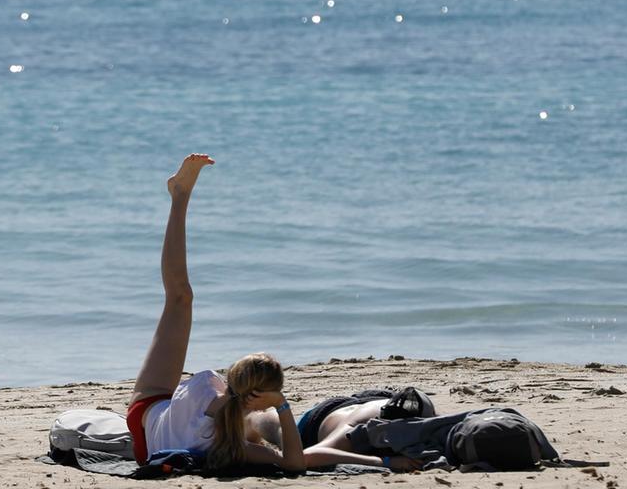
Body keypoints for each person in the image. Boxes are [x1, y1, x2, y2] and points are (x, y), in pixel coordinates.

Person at [126, 154, 421, 472]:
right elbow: (295, 463)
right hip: (151, 426)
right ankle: (180, 196)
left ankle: (179, 198)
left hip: (148, 411)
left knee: (179, 298)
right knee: (180, 298)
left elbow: (294, 462)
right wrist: (281, 406)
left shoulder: (219, 413)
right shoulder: (235, 442)